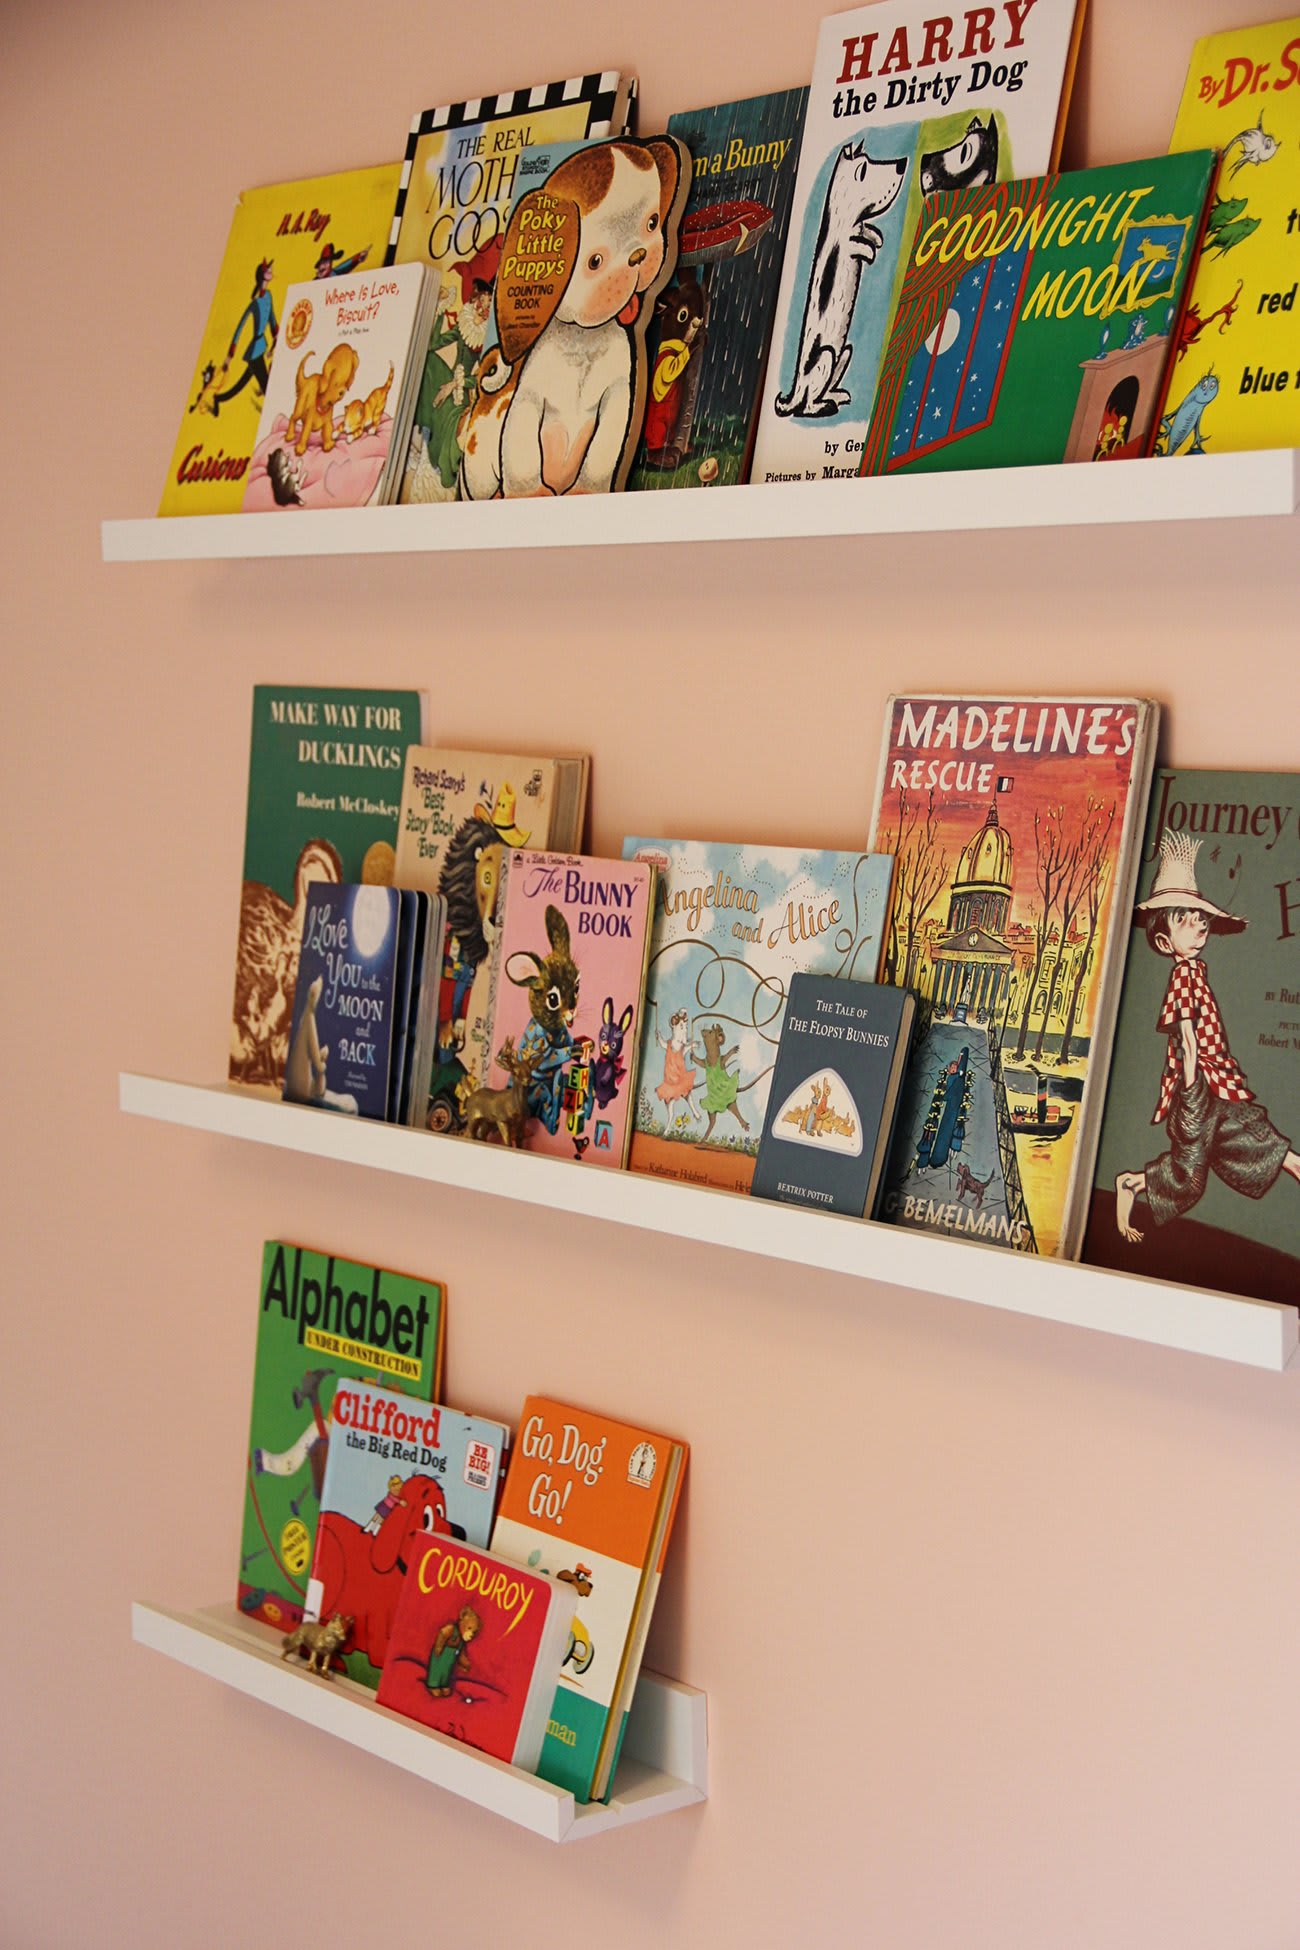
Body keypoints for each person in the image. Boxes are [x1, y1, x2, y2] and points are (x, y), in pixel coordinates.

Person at [1114, 831, 1300, 1242]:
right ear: (1163, 940)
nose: (1199, 924)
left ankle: (1292, 1164)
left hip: (1217, 1082)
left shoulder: (1195, 971)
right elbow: (1186, 1040)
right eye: (1184, 918)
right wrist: (1192, 1092)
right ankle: (1131, 1183)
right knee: (1190, 1177)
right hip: (1198, 1086)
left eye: (1199, 917)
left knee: (1255, 1140)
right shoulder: (1182, 976)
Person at [211, 258, 277, 414]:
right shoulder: (254, 303)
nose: (271, 272)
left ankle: (218, 399)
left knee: (240, 385)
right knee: (267, 387)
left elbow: (272, 319)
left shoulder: (269, 296)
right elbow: (239, 329)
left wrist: (276, 337)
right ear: (262, 276)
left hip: (262, 346)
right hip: (254, 352)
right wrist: (229, 356)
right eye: (268, 270)